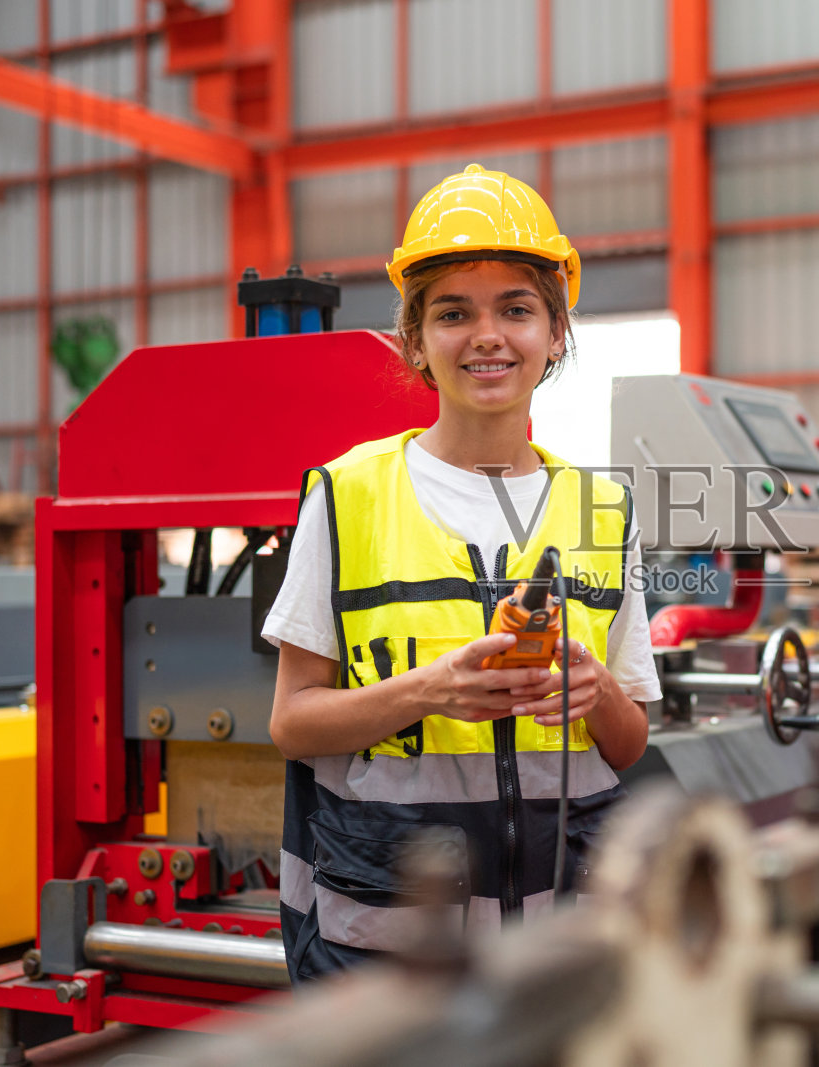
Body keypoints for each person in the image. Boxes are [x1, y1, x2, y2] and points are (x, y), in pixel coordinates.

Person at [262, 163, 660, 982]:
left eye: (517, 308)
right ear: (414, 340)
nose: (487, 335)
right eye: (453, 312)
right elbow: (291, 722)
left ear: (556, 334)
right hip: (387, 949)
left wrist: (595, 688)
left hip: (559, 944)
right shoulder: (348, 496)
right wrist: (428, 691)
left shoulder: (602, 511)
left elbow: (628, 742)